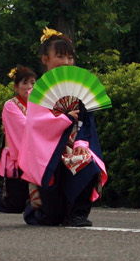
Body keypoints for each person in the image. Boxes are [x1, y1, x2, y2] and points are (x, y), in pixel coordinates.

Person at [20, 30, 106, 227]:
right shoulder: (38, 92)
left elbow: (87, 120)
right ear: (45, 59)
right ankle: (43, 210)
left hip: (75, 142)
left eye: (70, 57)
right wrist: (65, 119)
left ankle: (78, 213)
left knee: (87, 160)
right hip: (48, 148)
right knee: (51, 218)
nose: (66, 62)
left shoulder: (80, 88)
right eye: (60, 56)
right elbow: (36, 123)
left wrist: (82, 142)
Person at [0, 66, 34, 214]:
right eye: (25, 83)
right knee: (15, 206)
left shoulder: (38, 105)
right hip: (16, 157)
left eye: (33, 83)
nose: (29, 87)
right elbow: (23, 126)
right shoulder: (11, 105)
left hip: (34, 154)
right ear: (16, 87)